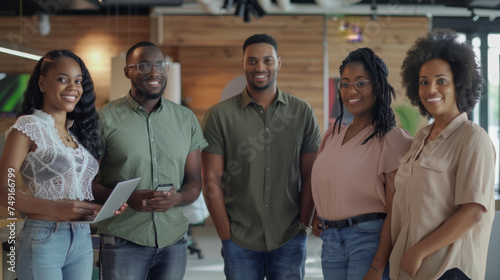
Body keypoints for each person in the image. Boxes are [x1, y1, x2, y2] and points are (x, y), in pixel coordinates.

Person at [201, 33, 321, 280]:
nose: (260, 67)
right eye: (252, 61)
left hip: (289, 237)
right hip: (239, 239)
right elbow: (211, 179)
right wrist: (225, 235)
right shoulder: (219, 115)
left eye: (267, 60)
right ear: (243, 64)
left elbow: (311, 174)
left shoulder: (302, 112)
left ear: (279, 63)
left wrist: (303, 228)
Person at [93, 41, 208, 280]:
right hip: (123, 240)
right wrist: (125, 198)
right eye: (144, 65)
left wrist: (178, 198)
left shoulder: (186, 119)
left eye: (159, 65)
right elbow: (85, 183)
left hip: (174, 242)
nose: (154, 72)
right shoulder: (103, 120)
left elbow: (194, 180)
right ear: (128, 71)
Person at [389, 29, 496, 280]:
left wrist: (418, 252)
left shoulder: (473, 138)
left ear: (459, 83)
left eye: (441, 81)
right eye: (424, 82)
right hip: (412, 268)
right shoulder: (420, 138)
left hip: (448, 269)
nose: (431, 89)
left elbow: (473, 211)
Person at [310, 47, 412, 280]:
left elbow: (396, 211)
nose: (350, 90)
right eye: (345, 83)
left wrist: (377, 267)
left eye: (360, 83)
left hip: (368, 239)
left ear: (377, 86)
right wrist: (320, 210)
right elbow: (329, 177)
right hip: (331, 240)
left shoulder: (391, 138)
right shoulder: (332, 134)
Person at [0, 50, 103, 279]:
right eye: (62, 79)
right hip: (43, 238)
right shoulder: (28, 126)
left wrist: (97, 208)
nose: (72, 87)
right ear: (42, 82)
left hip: (82, 238)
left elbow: (76, 190)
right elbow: (3, 191)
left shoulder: (76, 135)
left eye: (78, 81)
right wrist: (56, 208)